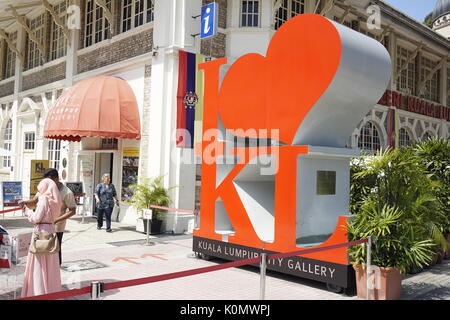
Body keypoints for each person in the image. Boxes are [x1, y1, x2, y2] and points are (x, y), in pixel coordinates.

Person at [19, 168, 77, 266]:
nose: (47, 183)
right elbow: (34, 201)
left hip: (57, 228)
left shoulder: (67, 192)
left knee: (55, 252)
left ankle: (55, 274)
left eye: (49, 180)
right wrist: (24, 202)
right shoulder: (45, 188)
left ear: (56, 179)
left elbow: (72, 210)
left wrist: (56, 220)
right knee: (41, 250)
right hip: (42, 228)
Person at [21, 178, 62, 298]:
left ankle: (38, 292)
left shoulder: (44, 198)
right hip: (51, 231)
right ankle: (50, 290)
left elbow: (36, 218)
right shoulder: (56, 200)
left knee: (39, 265)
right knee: (50, 265)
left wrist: (27, 211)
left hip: (41, 232)